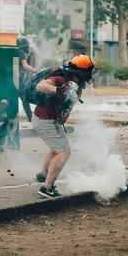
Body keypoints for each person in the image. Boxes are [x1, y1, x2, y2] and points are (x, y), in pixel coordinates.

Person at [32, 55, 99, 198]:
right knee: (64, 152)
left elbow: (83, 76)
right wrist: (57, 90)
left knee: (57, 146)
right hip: (45, 120)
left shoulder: (77, 79)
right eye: (87, 72)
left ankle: (43, 174)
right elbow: (40, 86)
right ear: (79, 72)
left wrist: (91, 70)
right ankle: (47, 188)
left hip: (51, 120)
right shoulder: (61, 79)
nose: (89, 76)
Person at [17, 35, 38, 122]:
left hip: (16, 78)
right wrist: (35, 71)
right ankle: (30, 118)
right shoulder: (21, 52)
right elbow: (25, 66)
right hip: (18, 79)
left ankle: (30, 117)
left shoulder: (18, 51)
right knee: (25, 98)